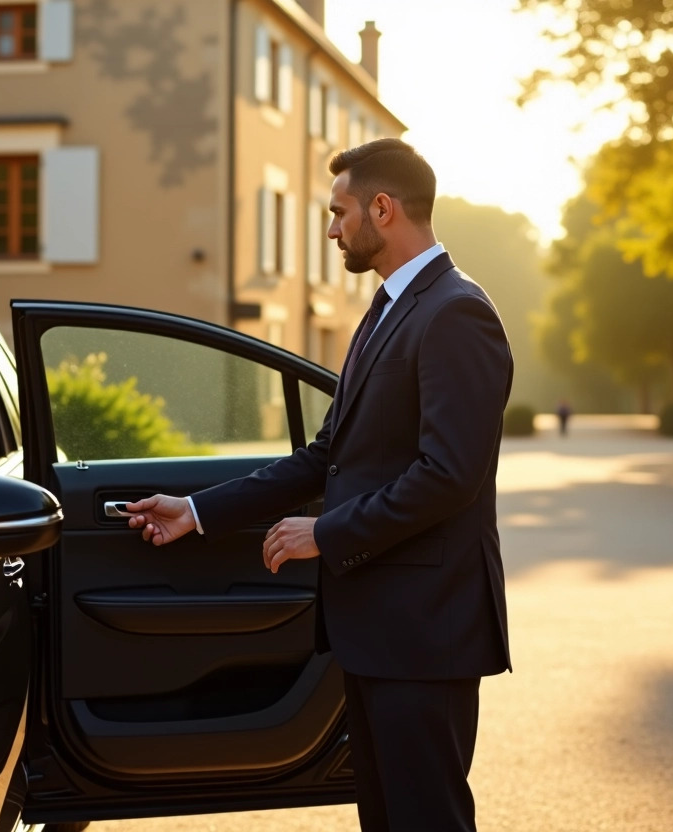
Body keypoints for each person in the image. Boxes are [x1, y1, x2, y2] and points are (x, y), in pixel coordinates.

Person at [126, 138, 513, 832]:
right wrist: (196, 510)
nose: (332, 229)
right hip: (380, 628)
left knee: (427, 819)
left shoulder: (456, 312)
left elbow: (449, 475)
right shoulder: (389, 309)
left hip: (427, 631)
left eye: (339, 212)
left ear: (383, 209)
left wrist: (325, 532)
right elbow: (325, 456)